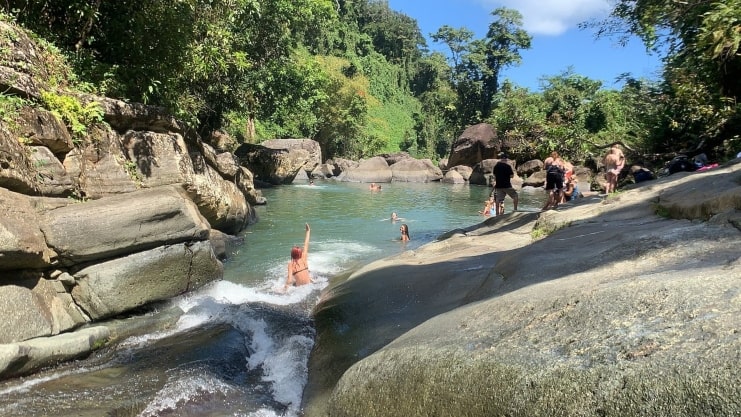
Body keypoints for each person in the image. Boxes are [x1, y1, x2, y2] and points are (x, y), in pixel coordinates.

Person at [284, 223, 313, 290]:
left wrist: (284, 288)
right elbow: (306, 244)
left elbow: (290, 280)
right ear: (300, 253)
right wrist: (308, 231)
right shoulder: (304, 257)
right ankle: (310, 279)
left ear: (292, 255)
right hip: (309, 286)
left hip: (300, 289)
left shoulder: (290, 264)